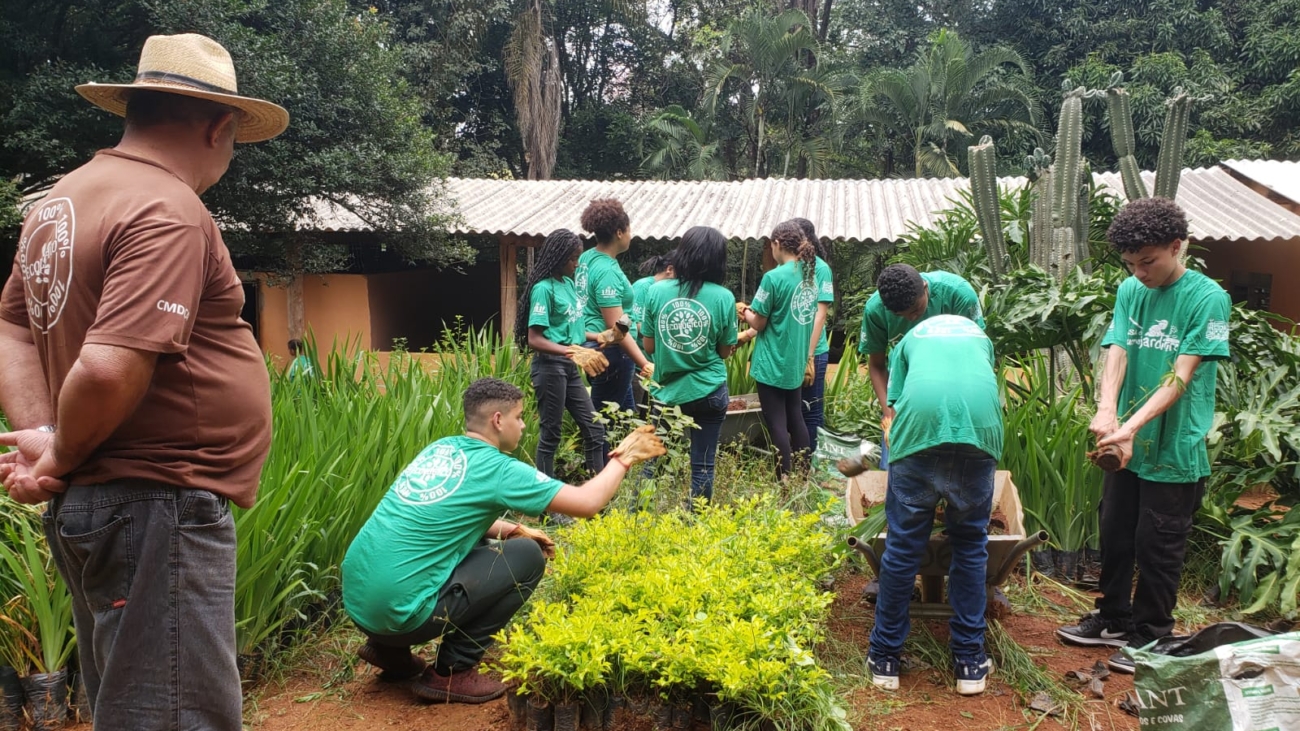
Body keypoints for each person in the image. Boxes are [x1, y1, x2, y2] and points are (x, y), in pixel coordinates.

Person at [0, 33, 288, 729]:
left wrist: (44, 437)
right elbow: (107, 364)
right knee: (175, 716)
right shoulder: (166, 209)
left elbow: (11, 325)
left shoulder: (61, 203)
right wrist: (62, 449)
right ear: (219, 125)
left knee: (135, 709)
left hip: (112, 507)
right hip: (156, 505)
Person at [341, 378, 665, 703]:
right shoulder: (498, 469)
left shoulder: (441, 450)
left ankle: (389, 652)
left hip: (358, 604)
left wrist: (513, 529)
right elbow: (587, 503)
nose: (523, 426)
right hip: (402, 616)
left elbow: (449, 513)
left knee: (497, 544)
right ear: (498, 420)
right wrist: (623, 459)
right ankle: (451, 673)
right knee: (527, 557)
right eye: (520, 417)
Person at [1055, 197, 1230, 674]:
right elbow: (1118, 347)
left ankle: (1151, 636)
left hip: (1173, 447)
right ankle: (1113, 617)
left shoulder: (1207, 298)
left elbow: (1181, 375)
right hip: (1126, 445)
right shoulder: (1131, 290)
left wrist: (1130, 428)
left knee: (1159, 546)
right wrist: (1107, 409)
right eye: (1130, 264)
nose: (1139, 274)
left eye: (1148, 262)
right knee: (1114, 533)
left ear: (1177, 247)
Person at [867, 314, 1002, 696]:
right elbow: (981, 388)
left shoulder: (907, 341)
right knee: (970, 545)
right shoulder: (980, 337)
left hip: (920, 436)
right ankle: (970, 662)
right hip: (979, 435)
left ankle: (885, 656)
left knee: (903, 546)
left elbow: (894, 405)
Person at [641, 227, 737, 504]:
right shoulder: (724, 297)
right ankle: (696, 518)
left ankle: (641, 515)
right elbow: (724, 351)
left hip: (667, 392)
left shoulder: (657, 291)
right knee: (704, 464)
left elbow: (649, 347)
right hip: (710, 390)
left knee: (652, 462)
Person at [859, 264, 983, 467]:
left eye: (916, 310)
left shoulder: (958, 294)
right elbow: (877, 366)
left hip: (955, 388)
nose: (912, 318)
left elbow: (977, 354)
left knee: (955, 470)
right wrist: (889, 412)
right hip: (904, 392)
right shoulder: (875, 310)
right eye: (902, 315)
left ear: (925, 287)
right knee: (896, 469)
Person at [514, 229, 607, 479]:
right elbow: (535, 338)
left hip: (568, 366)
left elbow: (570, 326)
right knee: (551, 434)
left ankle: (595, 499)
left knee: (595, 429)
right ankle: (548, 505)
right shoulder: (543, 289)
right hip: (550, 367)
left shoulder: (567, 284)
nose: (577, 264)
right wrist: (572, 352)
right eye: (573, 259)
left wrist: (597, 336)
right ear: (558, 258)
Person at [740, 220, 817, 480]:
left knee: (776, 424)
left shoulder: (773, 277)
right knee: (797, 418)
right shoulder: (809, 272)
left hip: (773, 361)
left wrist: (745, 312)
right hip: (795, 361)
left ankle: (783, 480)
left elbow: (759, 322)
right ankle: (804, 475)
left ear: (776, 244)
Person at [577, 198, 653, 416]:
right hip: (611, 352)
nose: (631, 235)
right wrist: (645, 364)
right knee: (603, 423)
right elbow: (617, 329)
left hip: (595, 346)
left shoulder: (586, 258)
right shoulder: (607, 271)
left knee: (626, 418)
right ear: (620, 232)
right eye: (629, 229)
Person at [790, 218, 835, 454]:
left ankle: (811, 462)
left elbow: (820, 314)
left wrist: (808, 354)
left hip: (813, 352)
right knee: (793, 408)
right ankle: (796, 459)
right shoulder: (788, 267)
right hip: (790, 350)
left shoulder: (821, 268)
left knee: (812, 409)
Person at [630, 253, 676, 404]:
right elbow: (635, 322)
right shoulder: (643, 286)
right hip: (640, 365)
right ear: (669, 269)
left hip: (656, 366)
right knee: (637, 414)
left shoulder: (670, 292)